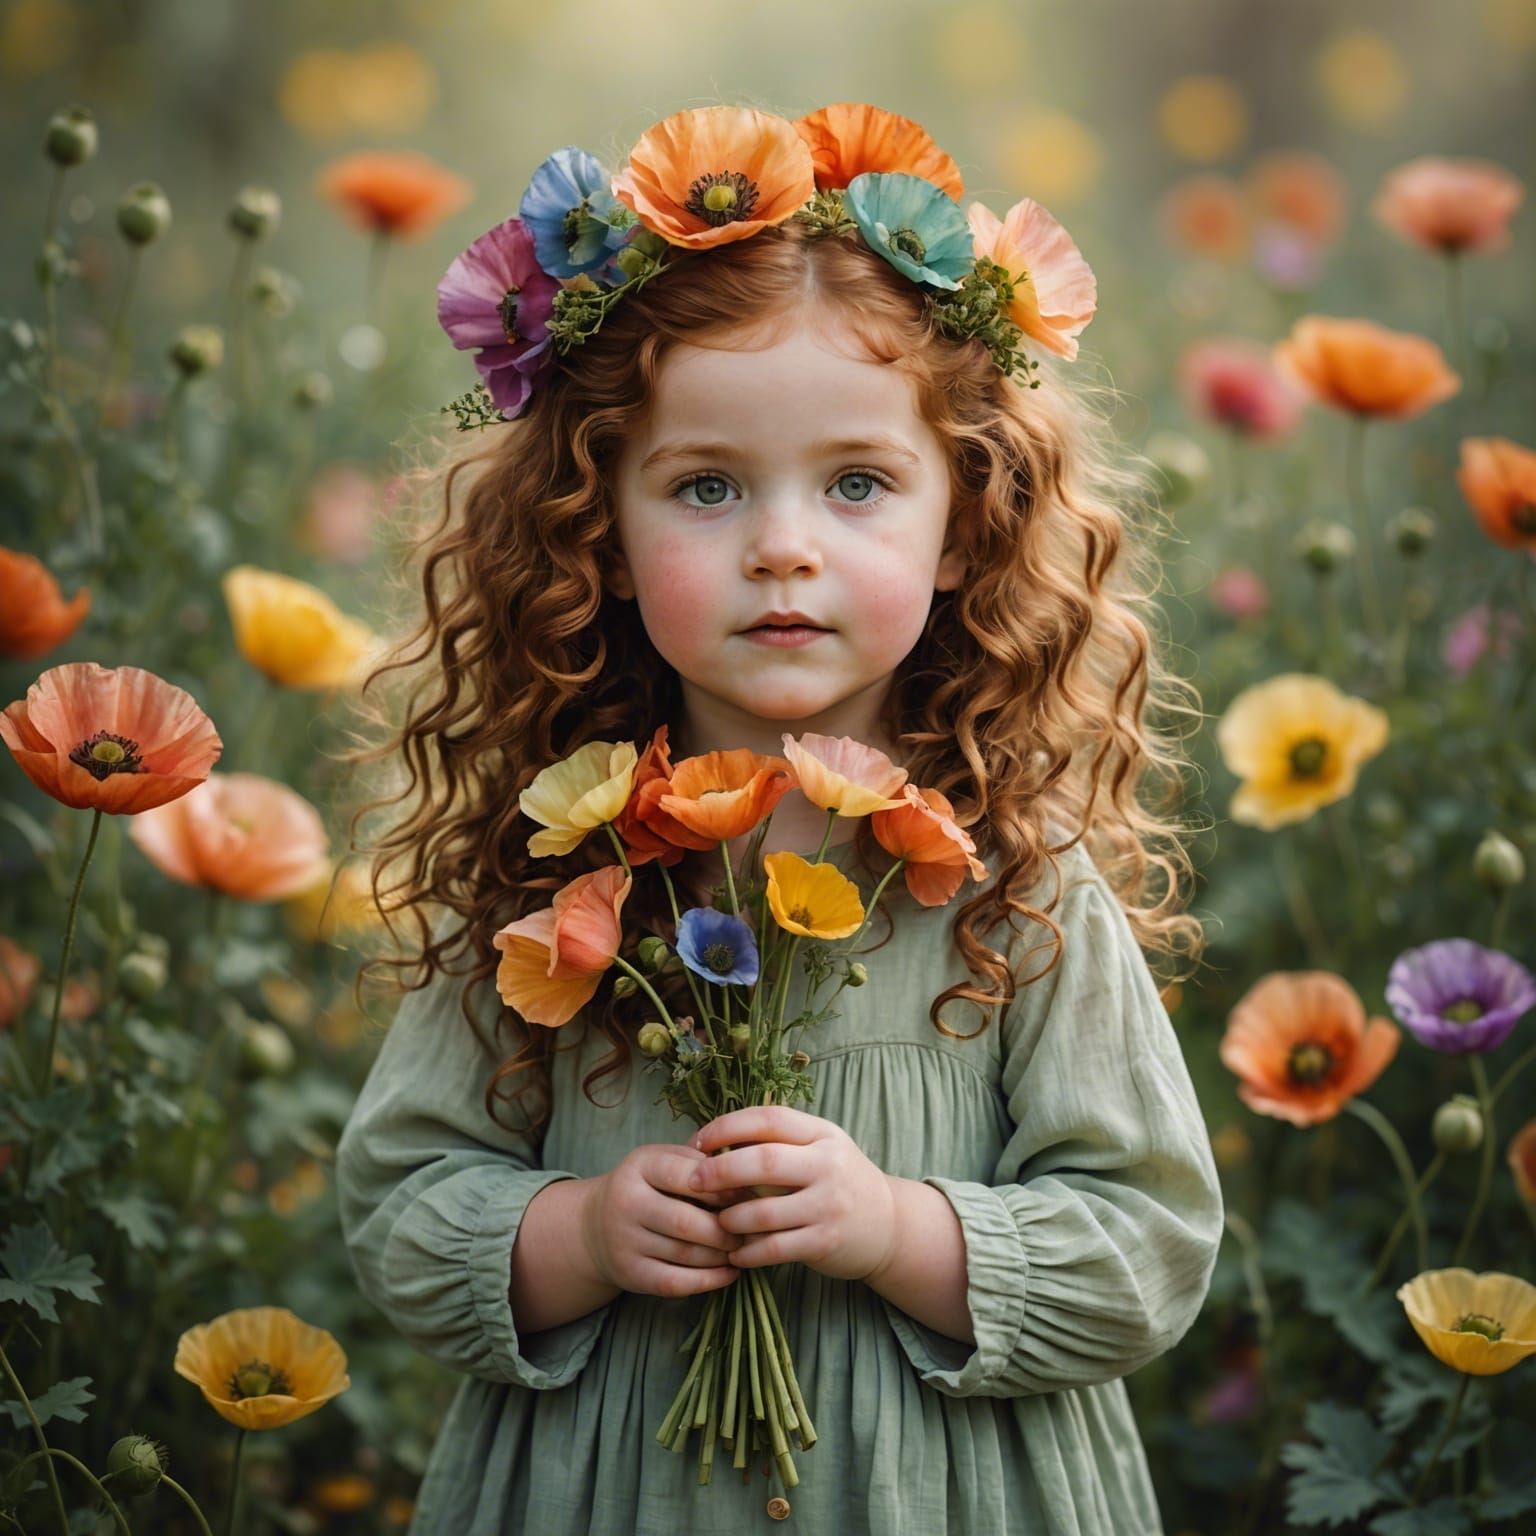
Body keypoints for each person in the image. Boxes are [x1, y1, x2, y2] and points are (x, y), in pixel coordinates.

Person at [335, 100, 1224, 1535]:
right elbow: (397, 1202)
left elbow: (1151, 1245)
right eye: (705, 486)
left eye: (860, 482)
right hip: (608, 1490)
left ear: (966, 526)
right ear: (599, 537)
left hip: (945, 1491)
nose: (784, 545)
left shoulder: (1016, 888)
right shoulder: (557, 869)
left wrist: (896, 1231)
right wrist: (581, 1234)